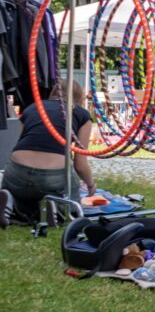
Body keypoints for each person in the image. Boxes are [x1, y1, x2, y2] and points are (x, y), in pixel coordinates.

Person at [0, 82, 95, 228]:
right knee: (73, 201)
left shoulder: (32, 108)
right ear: (79, 97)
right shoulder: (81, 114)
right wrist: (90, 184)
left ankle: (11, 202)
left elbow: (20, 142)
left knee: (23, 193)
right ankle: (58, 207)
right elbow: (80, 164)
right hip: (53, 176)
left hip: (16, 171)